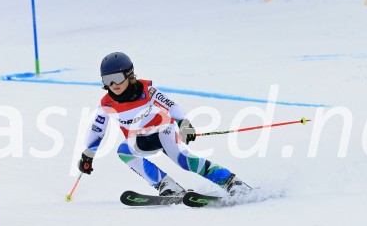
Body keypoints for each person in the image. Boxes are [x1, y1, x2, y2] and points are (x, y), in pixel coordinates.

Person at [77, 52, 251, 197]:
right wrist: (88, 154)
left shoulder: (147, 91)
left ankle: (230, 181)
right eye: (107, 80)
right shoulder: (106, 104)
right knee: (124, 152)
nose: (113, 84)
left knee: (184, 161)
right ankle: (167, 185)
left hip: (163, 132)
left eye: (117, 78)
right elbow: (97, 129)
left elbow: (172, 106)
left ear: (129, 75)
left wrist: (184, 123)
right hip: (140, 139)